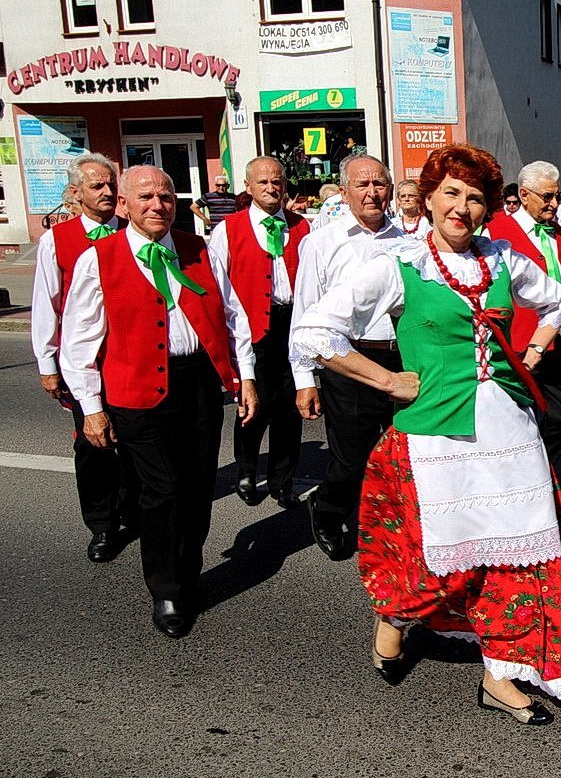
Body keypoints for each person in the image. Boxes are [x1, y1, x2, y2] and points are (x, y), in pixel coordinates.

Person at [290, 143, 561, 724]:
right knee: (434, 555)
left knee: (519, 555)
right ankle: (394, 617)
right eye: (451, 193)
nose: (462, 207)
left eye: (475, 197)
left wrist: (535, 350)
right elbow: (315, 330)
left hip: (508, 431)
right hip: (433, 437)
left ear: (490, 206)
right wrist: (386, 380)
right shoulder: (399, 264)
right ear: (431, 199)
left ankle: (501, 673)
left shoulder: (504, 260)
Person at [60, 165, 258, 639]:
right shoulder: (99, 258)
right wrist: (91, 408)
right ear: (124, 205)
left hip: (197, 386)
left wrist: (245, 375)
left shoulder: (197, 249)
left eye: (166, 197)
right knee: (162, 491)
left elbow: (233, 314)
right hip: (134, 393)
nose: (158, 206)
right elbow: (78, 340)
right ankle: (166, 588)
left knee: (196, 489)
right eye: (146, 197)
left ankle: (189, 572)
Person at [291, 155, 408, 561]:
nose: (373, 192)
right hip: (349, 359)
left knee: (402, 451)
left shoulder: (410, 242)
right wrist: (304, 379)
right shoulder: (322, 242)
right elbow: (305, 311)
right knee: (353, 457)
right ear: (344, 193)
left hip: (402, 360)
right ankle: (327, 508)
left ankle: (388, 523)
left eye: (380, 184)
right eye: (363, 185)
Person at [31, 152, 139, 563]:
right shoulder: (57, 241)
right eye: (98, 186)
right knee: (93, 445)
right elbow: (46, 303)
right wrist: (47, 364)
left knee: (133, 440)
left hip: (129, 358)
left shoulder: (135, 233)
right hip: (83, 363)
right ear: (76, 194)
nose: (109, 192)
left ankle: (133, 508)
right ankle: (102, 524)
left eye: (112, 184)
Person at [209, 156, 311, 510]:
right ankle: (247, 469)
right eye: (263, 182)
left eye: (278, 181)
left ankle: (283, 481)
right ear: (248, 187)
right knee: (253, 406)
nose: (272, 188)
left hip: (293, 326)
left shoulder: (302, 227)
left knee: (290, 409)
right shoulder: (228, 230)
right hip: (250, 329)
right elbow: (218, 287)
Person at [486, 161, 561, 465]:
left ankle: (541, 468)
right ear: (524, 195)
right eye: (547, 197)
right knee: (517, 418)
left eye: (557, 197)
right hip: (519, 343)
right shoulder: (496, 232)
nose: (554, 204)